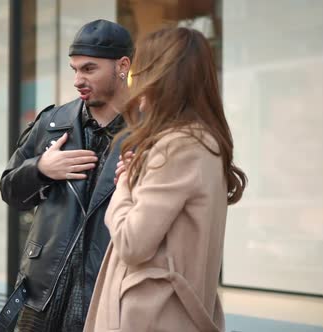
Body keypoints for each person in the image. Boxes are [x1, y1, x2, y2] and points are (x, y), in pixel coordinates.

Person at [83, 27, 247, 332]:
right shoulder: (203, 141)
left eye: (140, 71)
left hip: (151, 316)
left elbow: (132, 243)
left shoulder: (178, 145)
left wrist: (125, 185)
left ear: (158, 78)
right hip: (168, 312)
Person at [0, 19, 133, 332]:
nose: (78, 79)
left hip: (107, 293)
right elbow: (9, 190)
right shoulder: (54, 122)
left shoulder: (148, 129)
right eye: (75, 69)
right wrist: (41, 169)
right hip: (43, 291)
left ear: (122, 66)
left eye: (89, 69)